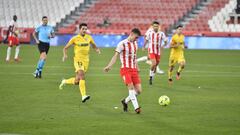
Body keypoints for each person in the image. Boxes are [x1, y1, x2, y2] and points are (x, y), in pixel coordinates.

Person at [59, 23, 101, 103]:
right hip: (78, 60)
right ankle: (83, 96)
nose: (84, 30)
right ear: (79, 29)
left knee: (77, 81)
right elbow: (65, 48)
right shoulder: (75, 38)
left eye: (86, 29)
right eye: (83, 29)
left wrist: (97, 49)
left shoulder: (89, 37)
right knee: (82, 75)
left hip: (86, 60)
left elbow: (93, 45)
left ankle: (65, 81)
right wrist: (65, 55)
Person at [104, 28, 142, 114]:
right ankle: (137, 108)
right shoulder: (122, 44)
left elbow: (134, 57)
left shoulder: (135, 44)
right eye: (136, 37)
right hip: (125, 70)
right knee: (131, 88)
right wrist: (109, 66)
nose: (137, 39)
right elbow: (115, 56)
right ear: (131, 34)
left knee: (139, 91)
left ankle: (125, 101)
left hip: (133, 69)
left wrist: (137, 67)